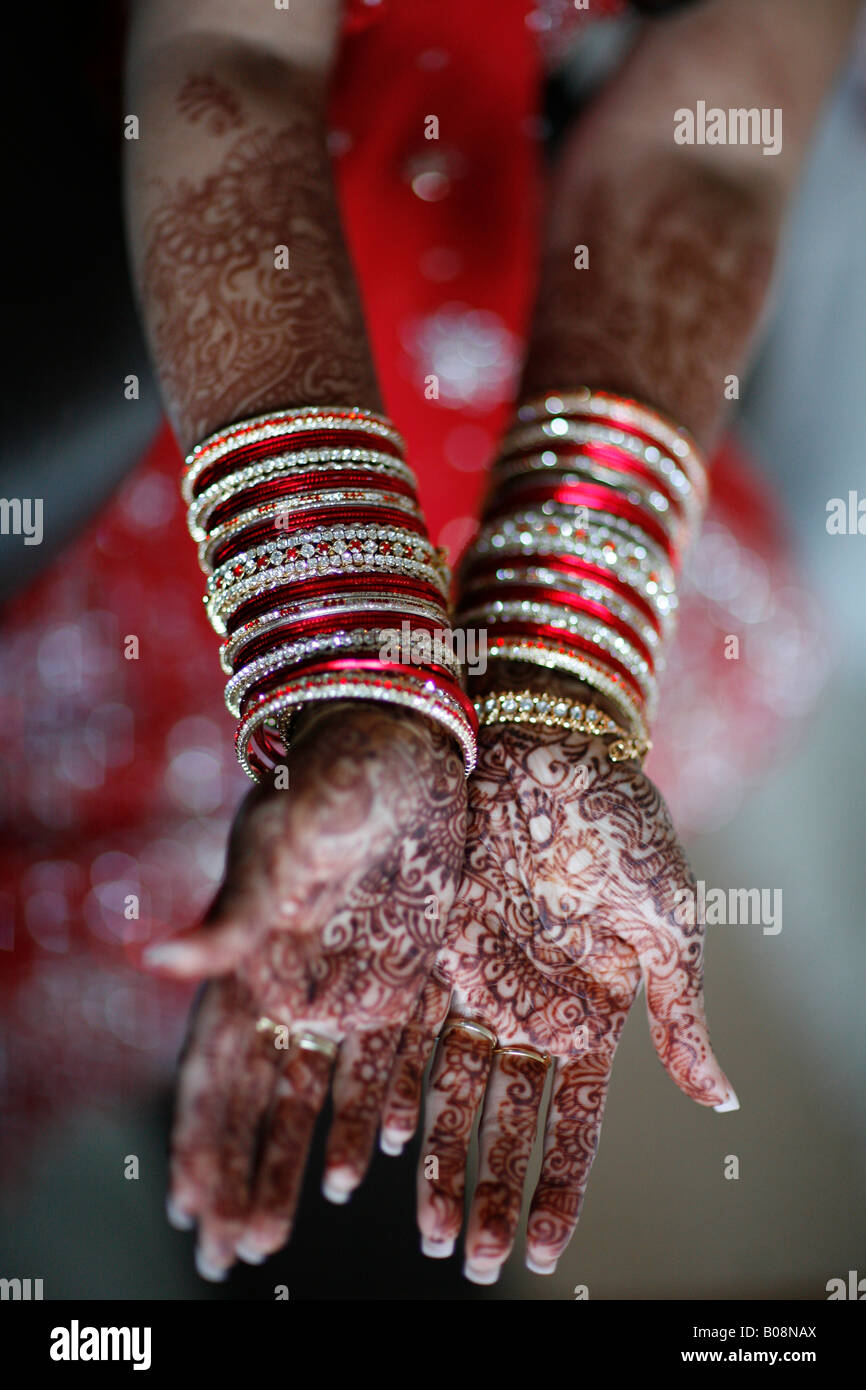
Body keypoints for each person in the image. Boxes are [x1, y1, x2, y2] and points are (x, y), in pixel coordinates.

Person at [3, 0, 855, 1291]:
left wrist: (561, 671)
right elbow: (231, 57)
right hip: (216, 277)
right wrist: (342, 645)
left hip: (515, 287)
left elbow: (711, 150)